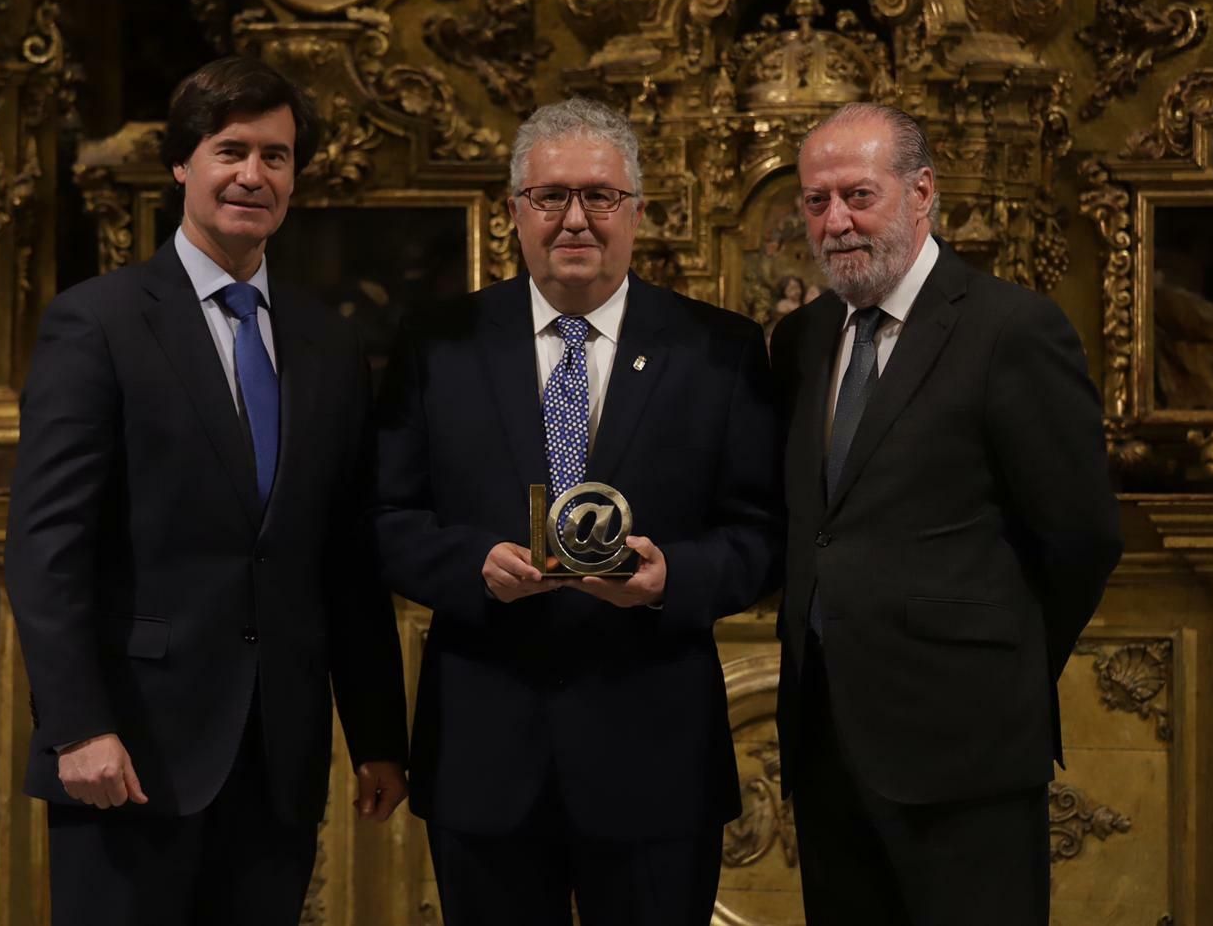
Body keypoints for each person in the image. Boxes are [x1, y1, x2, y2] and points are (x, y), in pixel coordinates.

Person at [4, 55, 409, 925]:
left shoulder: (329, 346)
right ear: (182, 163)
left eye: (276, 156)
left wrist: (378, 737)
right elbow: (47, 548)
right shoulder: (98, 322)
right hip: (129, 750)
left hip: (277, 761)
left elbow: (345, 560)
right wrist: (77, 727)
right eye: (231, 150)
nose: (252, 175)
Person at [372, 97, 782, 926]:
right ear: (515, 211)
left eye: (600, 196)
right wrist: (471, 568)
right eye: (550, 196)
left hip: (655, 756)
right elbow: (385, 518)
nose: (575, 219)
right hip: (485, 754)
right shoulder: (436, 343)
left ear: (636, 210)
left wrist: (673, 578)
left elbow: (764, 534)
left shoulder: (721, 349)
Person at [770, 103, 1123, 925]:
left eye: (858, 195)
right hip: (825, 742)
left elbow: (1080, 540)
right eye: (816, 202)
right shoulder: (804, 339)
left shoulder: (1012, 330)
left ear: (922, 192)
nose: (836, 222)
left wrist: (992, 670)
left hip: (968, 753)